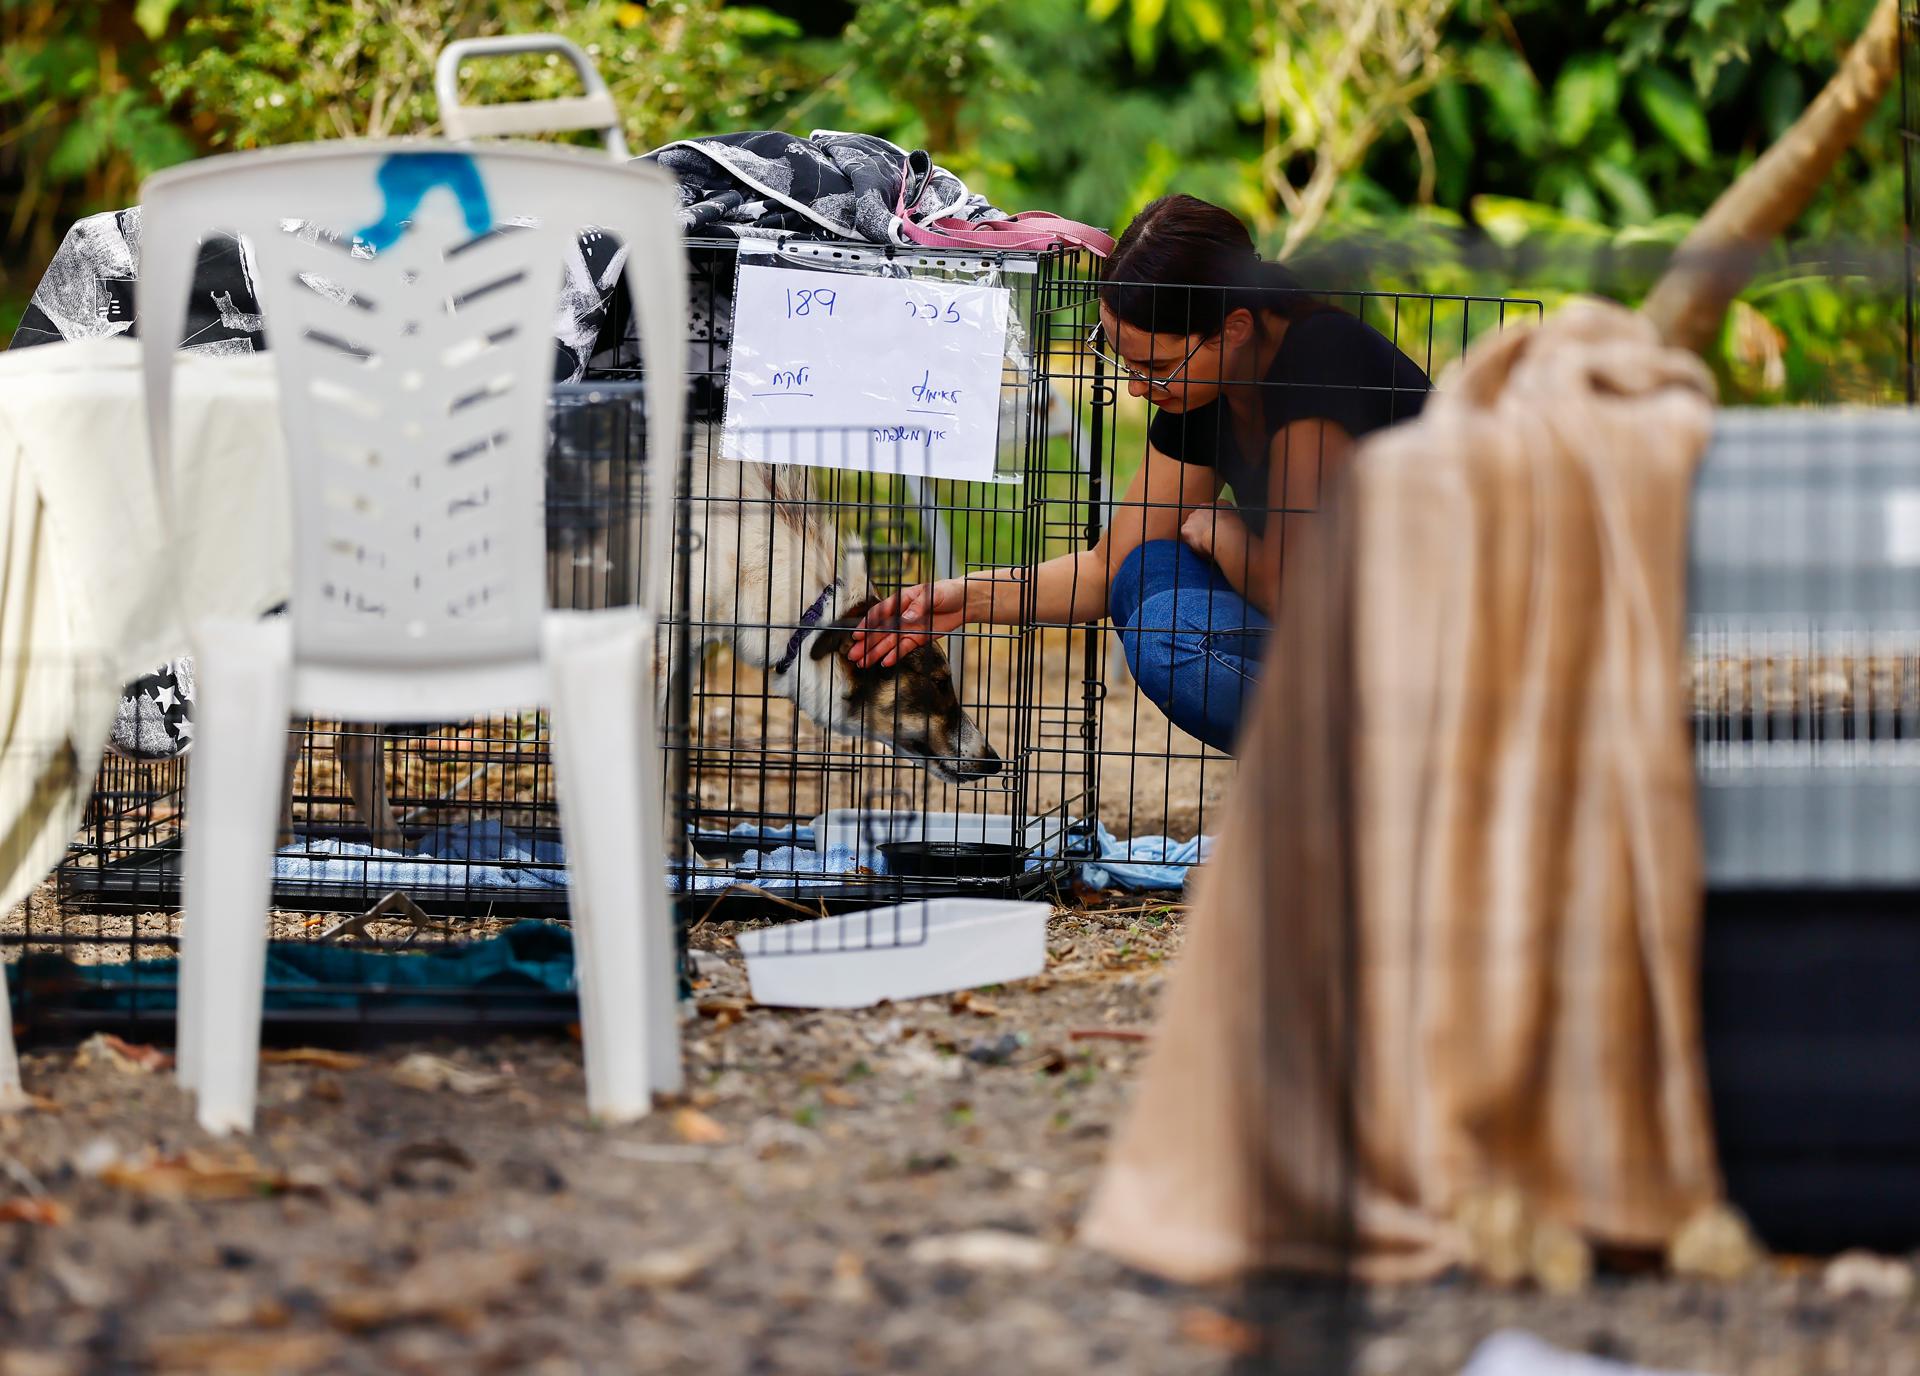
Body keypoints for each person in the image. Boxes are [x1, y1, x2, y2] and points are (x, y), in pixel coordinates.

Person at [847, 194, 1432, 752]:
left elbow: (1297, 589)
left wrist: (1225, 537)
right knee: (1145, 572)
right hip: (1338, 625)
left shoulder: (1317, 358)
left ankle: (1386, 773)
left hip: (1424, 640)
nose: (1136, 386)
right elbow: (1108, 569)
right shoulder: (1208, 386)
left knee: (1172, 642)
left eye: (1156, 365)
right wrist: (964, 599)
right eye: (1123, 361)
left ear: (1234, 328)